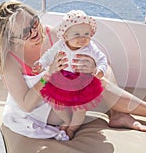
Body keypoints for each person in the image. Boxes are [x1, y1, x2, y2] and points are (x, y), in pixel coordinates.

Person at [0, 0, 146, 141]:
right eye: (26, 32)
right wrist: (48, 74)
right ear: (12, 39)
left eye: (34, 22)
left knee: (102, 71)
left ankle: (117, 113)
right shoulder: (9, 60)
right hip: (39, 110)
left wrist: (91, 66)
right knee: (95, 84)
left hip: (60, 91)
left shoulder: (51, 34)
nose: (35, 32)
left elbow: (91, 54)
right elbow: (27, 104)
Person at [32, 10, 107, 139]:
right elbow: (49, 55)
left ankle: (73, 127)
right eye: (76, 34)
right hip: (62, 79)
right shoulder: (60, 45)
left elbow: (102, 59)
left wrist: (100, 70)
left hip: (82, 82)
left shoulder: (90, 47)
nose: (82, 38)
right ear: (65, 36)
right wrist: (41, 63)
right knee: (56, 104)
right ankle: (66, 120)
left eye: (87, 34)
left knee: (80, 108)